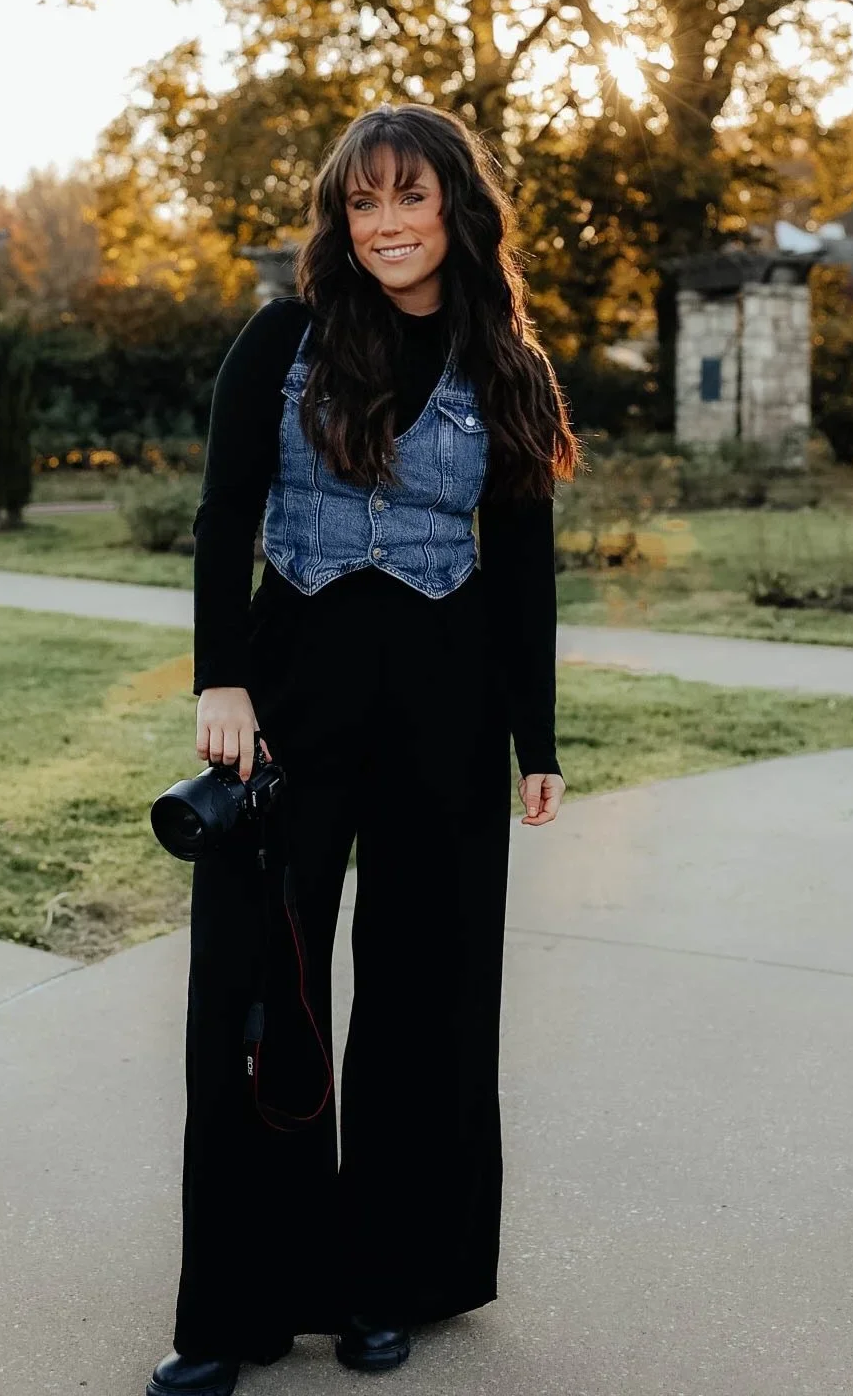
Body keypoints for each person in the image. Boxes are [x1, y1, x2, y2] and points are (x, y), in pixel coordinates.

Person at [147, 104, 577, 1396]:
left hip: (444, 717)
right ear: (342, 219)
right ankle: (235, 1308)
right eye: (362, 203)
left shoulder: (504, 357)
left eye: (410, 199)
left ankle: (386, 1279)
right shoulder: (280, 340)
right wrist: (221, 677)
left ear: (456, 208)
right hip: (288, 702)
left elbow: (524, 567)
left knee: (421, 999)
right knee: (258, 989)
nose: (386, 225)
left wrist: (534, 736)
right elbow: (225, 517)